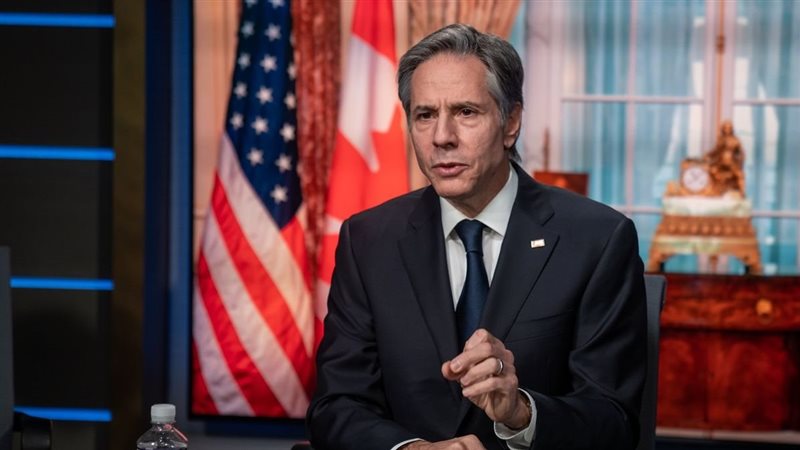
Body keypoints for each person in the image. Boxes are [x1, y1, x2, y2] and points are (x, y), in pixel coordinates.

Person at [307, 24, 646, 450]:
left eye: (466, 112)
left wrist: (521, 413)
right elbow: (336, 407)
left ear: (511, 123)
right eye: (425, 115)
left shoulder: (597, 240)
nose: (442, 137)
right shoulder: (368, 240)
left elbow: (614, 422)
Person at [705, 120, 745, 195]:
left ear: (732, 129)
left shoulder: (735, 140)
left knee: (740, 175)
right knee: (710, 170)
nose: (727, 130)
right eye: (725, 128)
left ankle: (741, 192)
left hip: (731, 163)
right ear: (723, 129)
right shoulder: (720, 140)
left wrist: (739, 163)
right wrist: (707, 155)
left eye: (729, 128)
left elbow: (741, 153)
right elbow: (715, 151)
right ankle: (710, 190)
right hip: (720, 162)